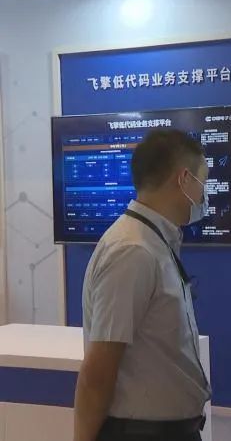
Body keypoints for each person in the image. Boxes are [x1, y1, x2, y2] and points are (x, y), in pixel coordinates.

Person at [74, 129, 211, 441]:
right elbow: (98, 373)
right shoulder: (132, 251)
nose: (204, 194)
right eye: (203, 181)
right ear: (184, 179)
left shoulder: (154, 241)